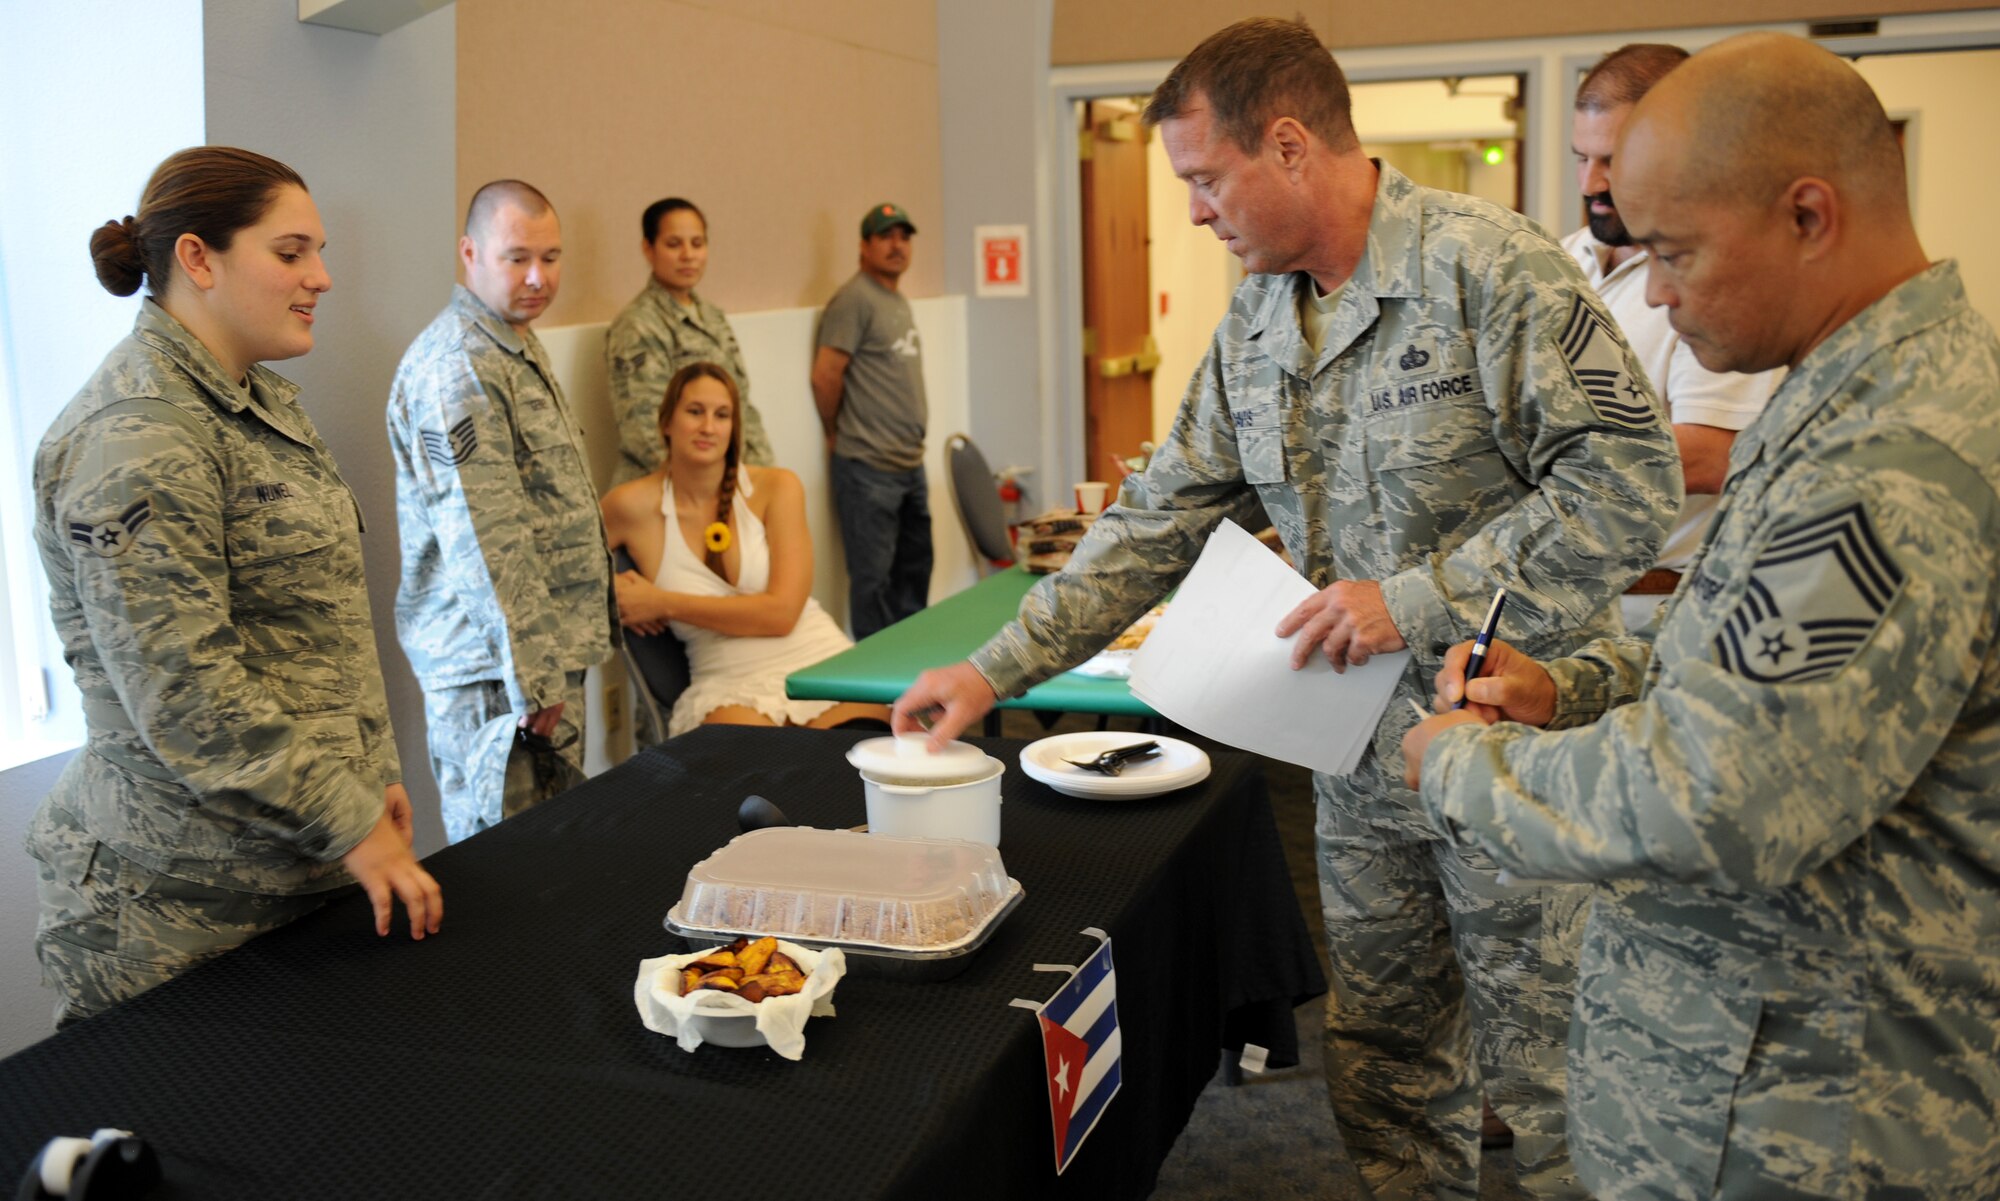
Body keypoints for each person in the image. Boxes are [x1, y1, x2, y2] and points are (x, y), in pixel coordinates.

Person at [893, 18, 1680, 1199]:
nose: (1198, 211)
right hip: (1360, 760)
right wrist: (994, 668)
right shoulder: (1258, 318)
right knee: (1382, 1064)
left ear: (1291, 145)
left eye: (1206, 179)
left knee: (1557, 1076)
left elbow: (1630, 481)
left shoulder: (1486, 268)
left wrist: (1411, 600)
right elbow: (1156, 515)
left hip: (1519, 745)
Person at [1403, 32, 2000, 1200]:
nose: (1660, 298)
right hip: (1745, 1083)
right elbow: (1734, 656)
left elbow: (1712, 792)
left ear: (1807, 216)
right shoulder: (1847, 392)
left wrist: (1466, 771)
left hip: (1805, 1116)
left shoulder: (1885, 465)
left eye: (1673, 252)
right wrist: (1567, 688)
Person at [27, 147, 441, 1025]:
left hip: (291, 876)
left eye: (318, 252)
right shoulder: (137, 433)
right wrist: (349, 818)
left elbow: (315, 619)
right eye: (291, 253)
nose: (321, 277)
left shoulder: (258, 400)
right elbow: (183, 690)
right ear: (198, 259)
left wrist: (371, 767)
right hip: (176, 913)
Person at [387, 180, 619, 844]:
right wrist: (535, 676)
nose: (539, 277)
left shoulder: (508, 341)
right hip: (495, 673)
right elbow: (484, 538)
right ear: (470, 253)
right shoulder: (457, 366)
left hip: (535, 659)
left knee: (557, 848)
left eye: (551, 256)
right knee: (504, 858)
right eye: (517, 257)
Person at [1565, 44, 1780, 635]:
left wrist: (1531, 454)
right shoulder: (1561, 258)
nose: (1592, 182)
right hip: (1563, 602)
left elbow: (1711, 455)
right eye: (1580, 158)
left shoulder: (1725, 279)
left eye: (1612, 159)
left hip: (1661, 611)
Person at [600, 363, 888, 736]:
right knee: (757, 776)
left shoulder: (778, 487)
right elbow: (564, 568)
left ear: (734, 428)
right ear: (666, 422)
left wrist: (661, 602)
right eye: (694, 412)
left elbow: (781, 613)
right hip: (728, 683)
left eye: (722, 415)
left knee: (860, 763)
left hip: (817, 661)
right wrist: (613, 597)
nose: (708, 427)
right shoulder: (630, 505)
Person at [811, 202, 932, 639]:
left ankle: (912, 678)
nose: (897, 246)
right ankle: (875, 694)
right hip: (868, 468)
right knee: (873, 584)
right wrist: (833, 432)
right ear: (864, 246)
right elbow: (826, 375)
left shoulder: (894, 299)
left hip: (908, 464)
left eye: (904, 236)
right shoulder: (854, 299)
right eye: (886, 236)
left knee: (914, 575)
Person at [605, 197, 772, 484]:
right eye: (674, 244)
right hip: (667, 490)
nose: (688, 255)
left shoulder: (711, 316)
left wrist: (762, 477)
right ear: (649, 248)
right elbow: (643, 429)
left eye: (697, 243)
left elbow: (741, 406)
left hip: (725, 483)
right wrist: (706, 488)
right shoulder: (639, 325)